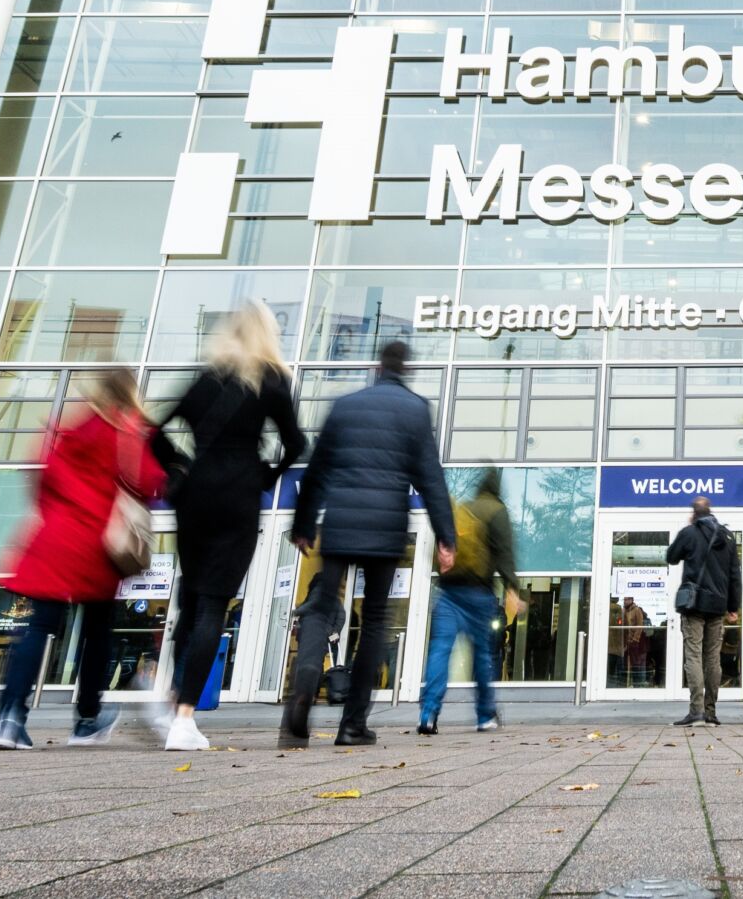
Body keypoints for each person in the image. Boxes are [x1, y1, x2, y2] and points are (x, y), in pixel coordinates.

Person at [150, 301, 307, 752]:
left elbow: (152, 429)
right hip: (238, 496)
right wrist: (267, 477)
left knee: (192, 599)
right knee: (213, 606)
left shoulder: (205, 377)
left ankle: (174, 700)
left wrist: (178, 467)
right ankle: (184, 718)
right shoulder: (270, 380)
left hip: (194, 496)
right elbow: (296, 443)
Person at [282, 339, 454, 749]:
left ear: (378, 368)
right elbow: (430, 477)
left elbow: (317, 469)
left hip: (340, 523)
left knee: (322, 604)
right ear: (405, 369)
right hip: (384, 527)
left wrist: (303, 524)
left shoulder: (345, 406)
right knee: (374, 622)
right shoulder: (415, 410)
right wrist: (446, 537)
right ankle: (352, 725)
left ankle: (305, 682)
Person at [0, 368, 165, 750]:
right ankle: (86, 720)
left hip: (54, 539)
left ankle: (9, 719)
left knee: (37, 628)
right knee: (97, 632)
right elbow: (149, 482)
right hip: (97, 546)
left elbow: (43, 482)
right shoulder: (127, 432)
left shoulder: (68, 431)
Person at [417, 470, 517, 735]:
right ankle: (485, 715)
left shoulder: (464, 508)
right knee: (482, 655)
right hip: (478, 594)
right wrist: (512, 587)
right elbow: (504, 552)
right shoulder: (496, 511)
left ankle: (428, 713)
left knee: (440, 650)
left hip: (448, 592)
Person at [666, 493, 740, 727]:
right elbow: (735, 575)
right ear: (710, 511)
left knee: (694, 655)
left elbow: (671, 557)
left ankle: (696, 711)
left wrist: (689, 529)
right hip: (718, 606)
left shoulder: (689, 533)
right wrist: (733, 607)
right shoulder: (727, 536)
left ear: (693, 513)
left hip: (694, 604)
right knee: (712, 658)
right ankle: (710, 713)